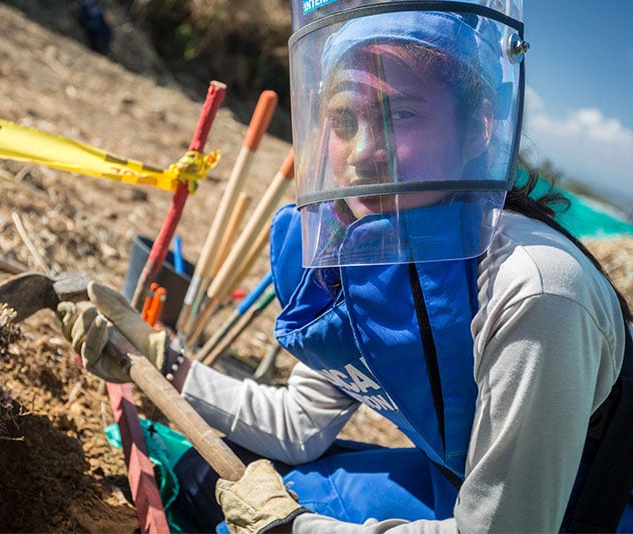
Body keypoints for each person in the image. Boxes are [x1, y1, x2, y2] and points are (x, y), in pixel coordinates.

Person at [58, 0, 633, 532]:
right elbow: (299, 423)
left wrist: (295, 528)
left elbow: (508, 528)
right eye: (343, 120)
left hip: (583, 512)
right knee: (230, 483)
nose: (362, 154)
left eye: (400, 115)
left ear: (479, 127)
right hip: (460, 487)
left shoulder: (536, 289)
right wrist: (161, 360)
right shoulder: (355, 245)